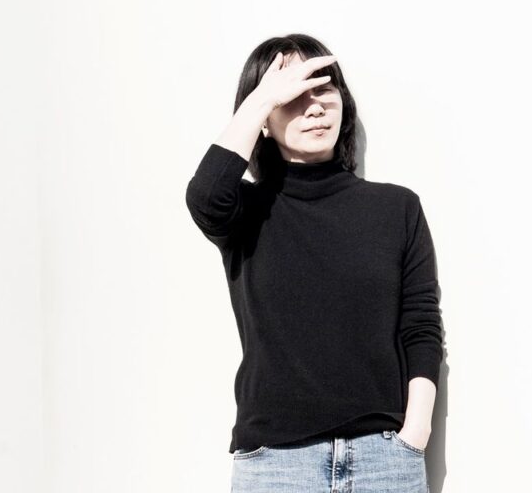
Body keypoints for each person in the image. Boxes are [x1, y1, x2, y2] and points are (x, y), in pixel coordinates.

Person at [185, 34, 443, 492]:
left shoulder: (396, 208)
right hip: (276, 465)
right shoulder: (245, 211)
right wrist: (263, 97)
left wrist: (414, 435)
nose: (315, 106)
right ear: (265, 119)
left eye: (324, 89)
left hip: (384, 459)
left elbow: (421, 327)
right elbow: (204, 195)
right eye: (293, 95)